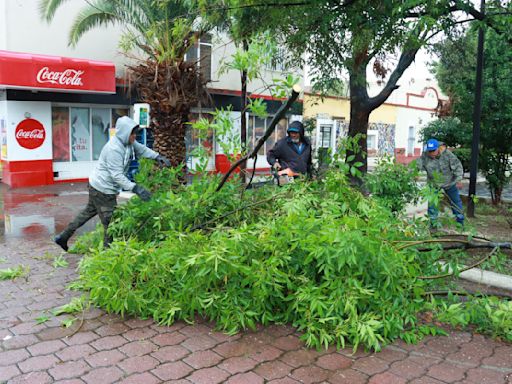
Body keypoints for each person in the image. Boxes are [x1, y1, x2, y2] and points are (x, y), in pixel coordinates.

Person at [54, 116, 171, 251]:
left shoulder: (128, 142)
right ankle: (107, 254)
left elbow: (142, 149)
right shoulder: (113, 149)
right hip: (103, 189)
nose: (135, 136)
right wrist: (136, 188)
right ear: (125, 133)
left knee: (87, 213)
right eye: (132, 133)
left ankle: (63, 237)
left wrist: (157, 157)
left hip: (98, 186)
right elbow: (117, 176)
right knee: (112, 223)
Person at [417, 138, 464, 227]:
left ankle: (460, 224)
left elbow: (458, 166)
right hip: (434, 183)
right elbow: (417, 165)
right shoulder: (425, 155)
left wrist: (459, 180)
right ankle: (433, 225)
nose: (431, 153)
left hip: (449, 182)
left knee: (456, 203)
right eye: (430, 151)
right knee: (432, 205)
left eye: (433, 151)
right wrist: (414, 173)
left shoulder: (447, 154)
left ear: (438, 148)